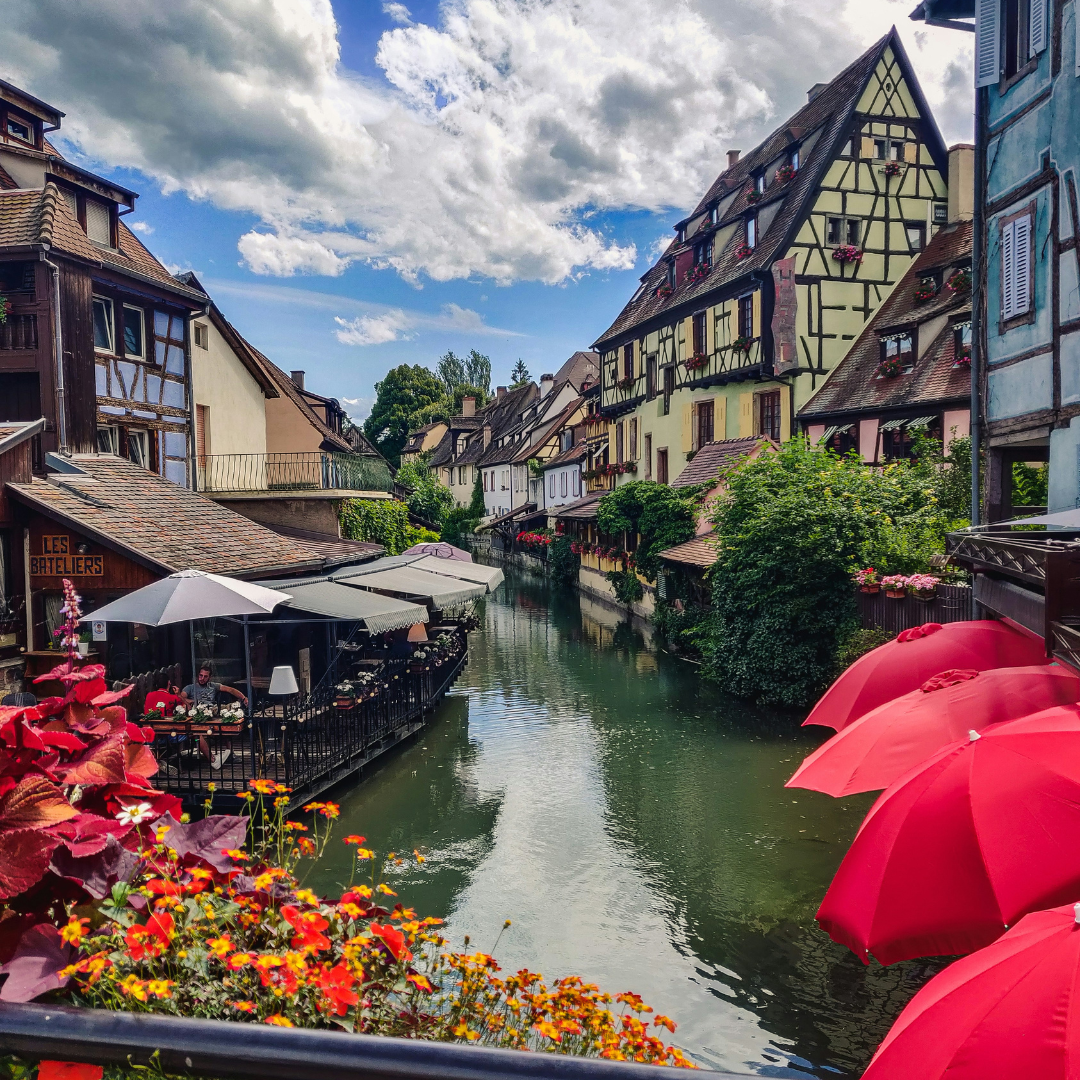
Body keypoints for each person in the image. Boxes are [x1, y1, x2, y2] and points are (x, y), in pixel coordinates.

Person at [181, 664, 248, 710]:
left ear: (210, 677)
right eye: (201, 675)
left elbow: (230, 690)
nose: (202, 678)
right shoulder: (190, 687)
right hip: (197, 710)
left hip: (212, 709)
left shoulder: (213, 685)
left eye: (205, 676)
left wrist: (243, 698)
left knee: (233, 707)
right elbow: (180, 698)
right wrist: (194, 701)